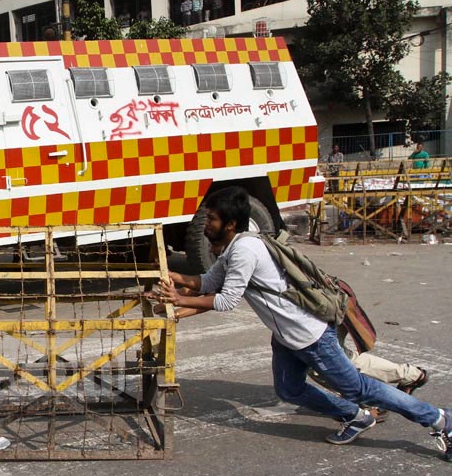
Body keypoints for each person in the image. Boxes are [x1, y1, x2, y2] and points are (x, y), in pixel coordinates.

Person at [151, 187, 451, 460]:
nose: (206, 224)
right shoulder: (234, 248)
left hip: (310, 335)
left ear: (230, 224)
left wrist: (178, 300)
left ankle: (439, 419)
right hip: (286, 335)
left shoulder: (244, 250)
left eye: (212, 219)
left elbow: (227, 300)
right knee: (289, 390)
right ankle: (356, 417)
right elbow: (208, 281)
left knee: (358, 388)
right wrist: (174, 278)